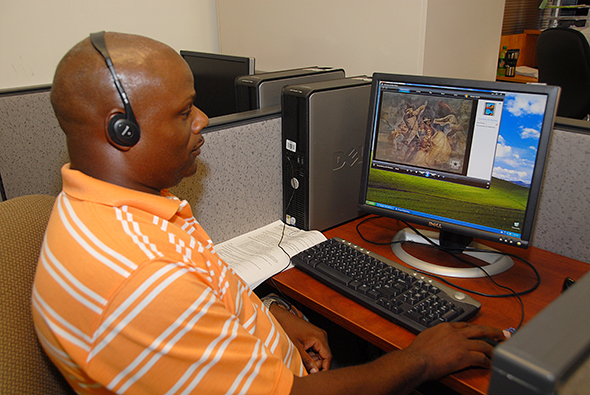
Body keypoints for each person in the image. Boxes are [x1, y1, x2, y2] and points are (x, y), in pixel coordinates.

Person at [32, 31, 508, 395]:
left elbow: (209, 290)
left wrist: (276, 313)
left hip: (280, 360)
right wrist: (421, 360)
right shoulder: (145, 281)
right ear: (123, 130)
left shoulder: (113, 209)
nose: (202, 121)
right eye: (184, 112)